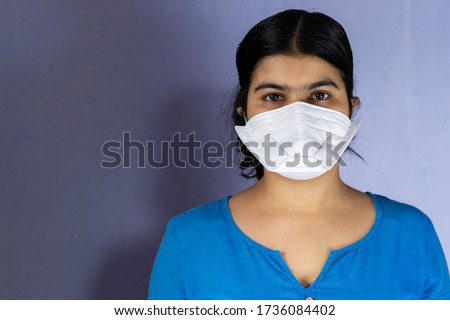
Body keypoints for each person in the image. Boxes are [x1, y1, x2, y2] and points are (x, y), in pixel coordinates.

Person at [148, 9, 450, 299]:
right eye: (274, 96)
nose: (298, 116)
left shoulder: (412, 236)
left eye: (320, 95)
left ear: (351, 107)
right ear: (244, 114)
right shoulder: (187, 241)